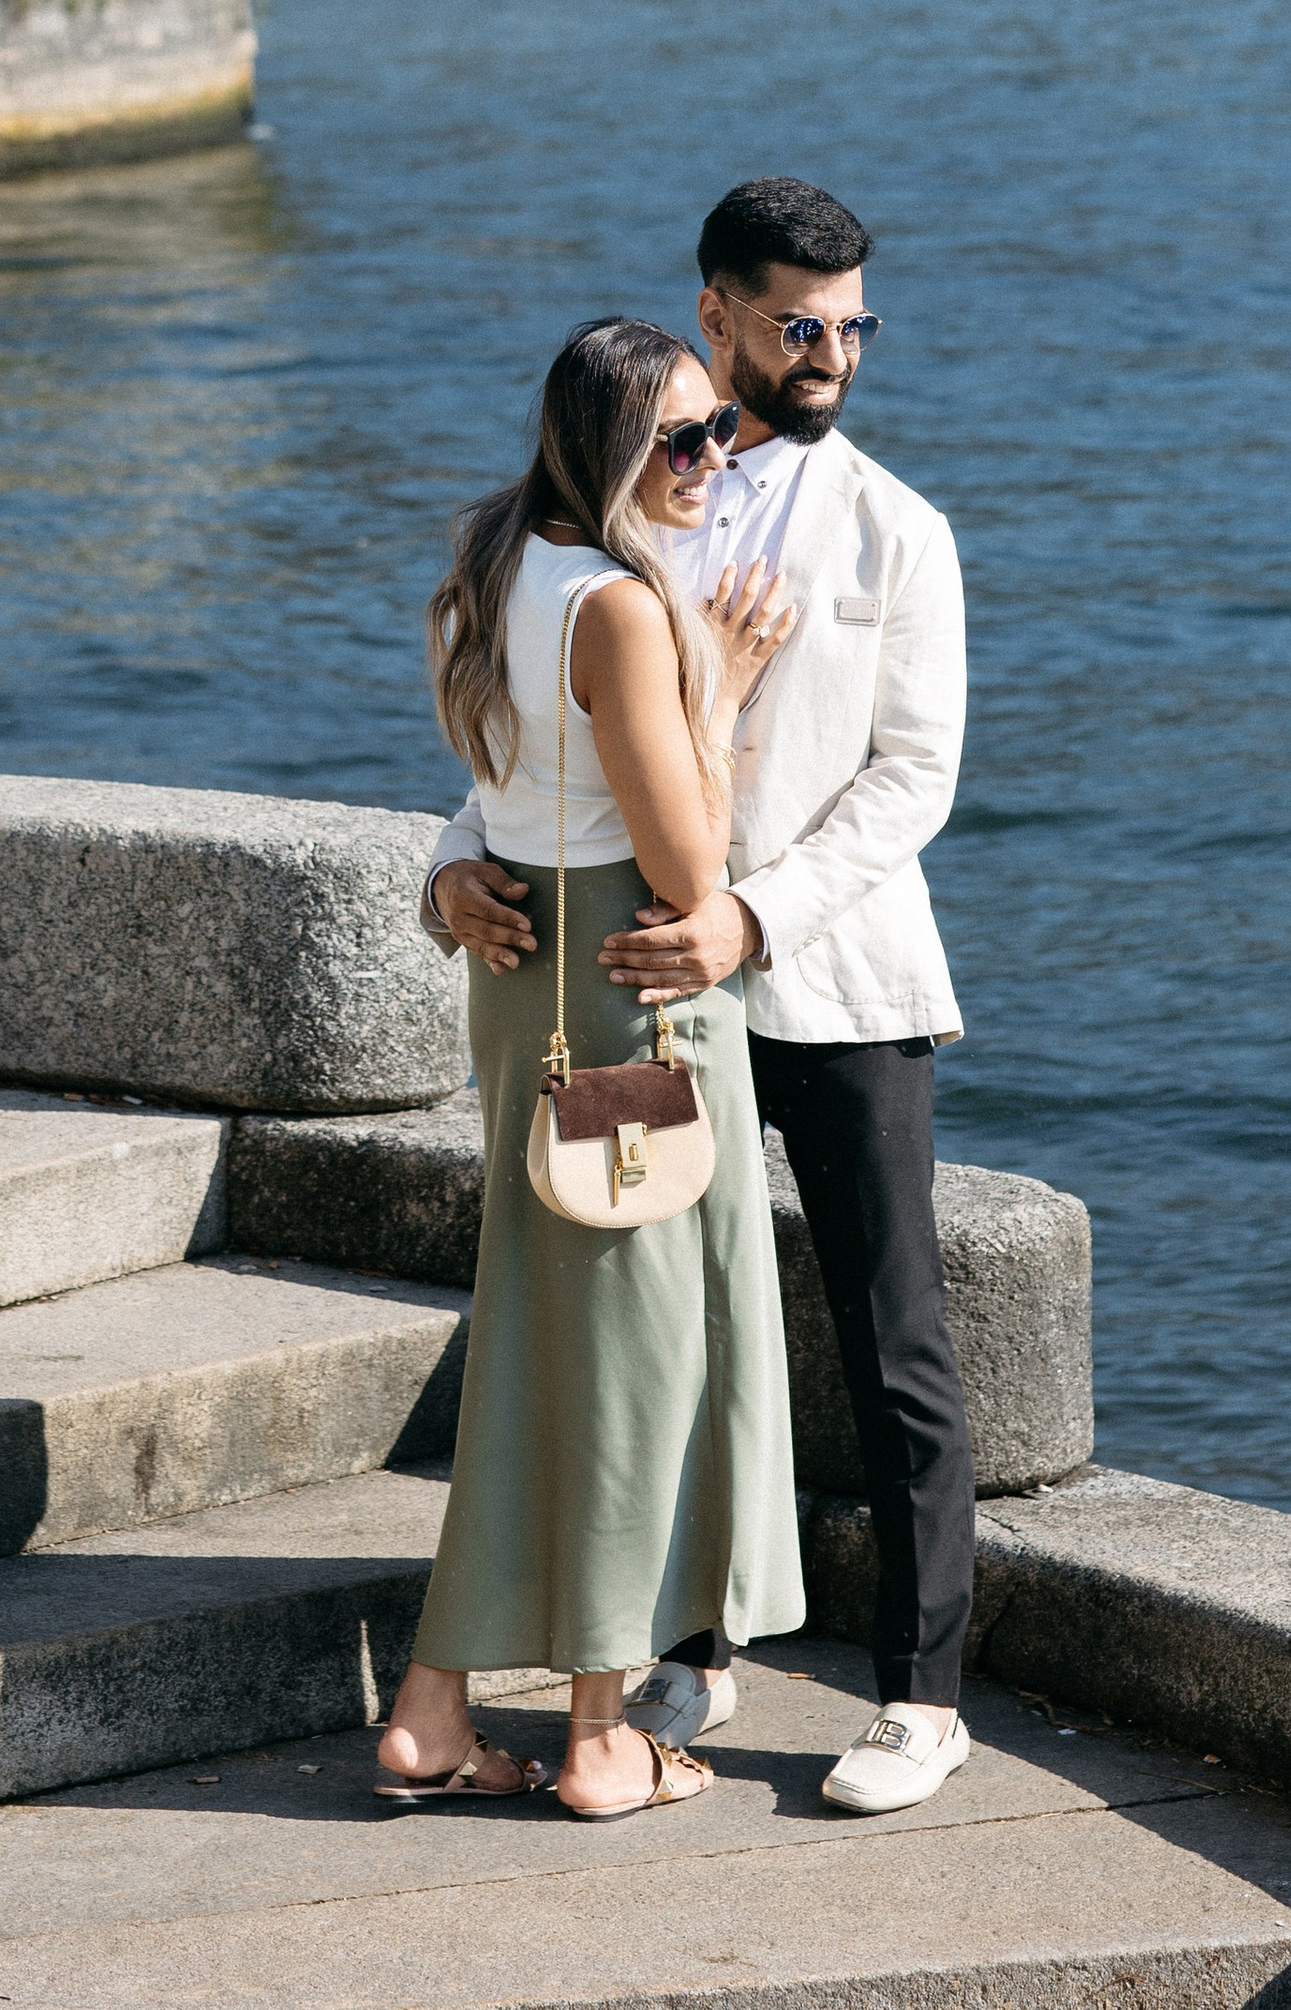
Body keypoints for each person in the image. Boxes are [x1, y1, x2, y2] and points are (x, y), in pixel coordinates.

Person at [426, 179, 974, 1817]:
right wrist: (447, 866)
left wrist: (747, 915)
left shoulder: (901, 529)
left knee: (892, 1340)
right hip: (659, 998)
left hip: (836, 978)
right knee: (686, 1327)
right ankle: (696, 1646)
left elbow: (912, 783)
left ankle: (921, 1699)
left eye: (854, 323)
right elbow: (555, 734)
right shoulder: (633, 495)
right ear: (719, 316)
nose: (834, 353)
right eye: (800, 323)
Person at [375, 314, 806, 1822]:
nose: (714, 461)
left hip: (528, 979)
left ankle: (434, 1707)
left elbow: (497, 789)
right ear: (610, 451)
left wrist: (452, 878)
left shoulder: (493, 566)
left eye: (719, 435)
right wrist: (726, 686)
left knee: (545, 1348)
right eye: (683, 438)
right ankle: (606, 1738)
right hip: (632, 998)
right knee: (635, 1363)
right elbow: (689, 868)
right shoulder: (620, 611)